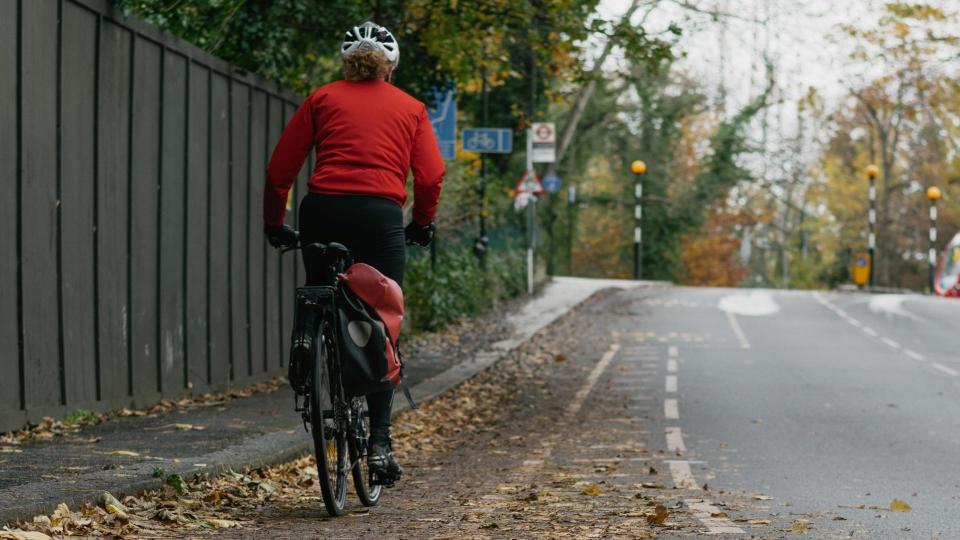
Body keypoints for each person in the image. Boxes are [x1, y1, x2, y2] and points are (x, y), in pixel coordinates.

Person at [261, 21, 444, 485]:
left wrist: (274, 222)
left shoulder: (321, 99)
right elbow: (430, 175)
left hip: (321, 210)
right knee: (383, 319)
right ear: (392, 65)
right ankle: (379, 444)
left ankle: (310, 328)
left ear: (347, 61)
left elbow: (281, 167)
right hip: (379, 218)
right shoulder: (411, 108)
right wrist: (421, 222)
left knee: (322, 284)